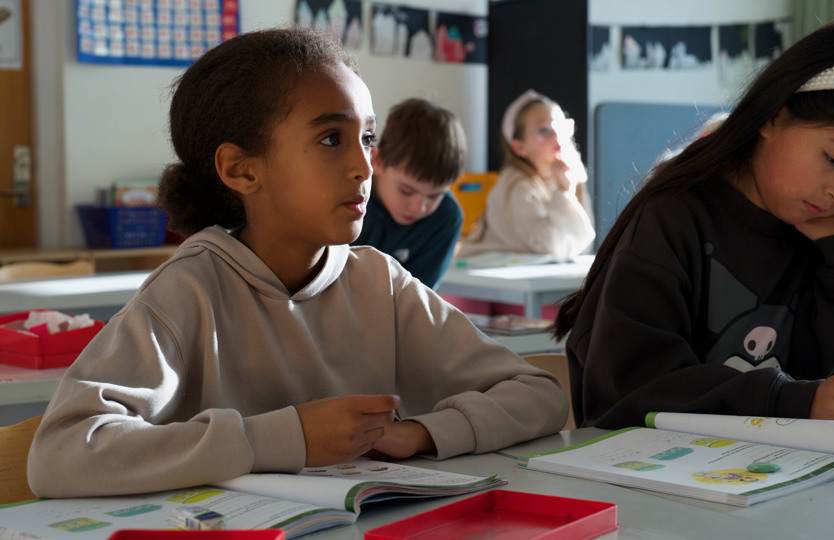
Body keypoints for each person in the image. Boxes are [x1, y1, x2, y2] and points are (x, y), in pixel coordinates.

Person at [27, 27, 568, 498]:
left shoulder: (380, 283)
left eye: (367, 138)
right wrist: (284, 438)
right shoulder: (189, 291)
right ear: (241, 170)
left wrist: (426, 433)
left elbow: (539, 395)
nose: (363, 167)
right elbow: (61, 452)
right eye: (332, 139)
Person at [552, 20, 834, 428]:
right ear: (772, 116)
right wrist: (787, 399)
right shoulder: (672, 220)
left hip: (780, 477)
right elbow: (630, 395)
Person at [458, 89, 595, 261]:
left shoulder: (570, 178)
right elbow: (548, 246)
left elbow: (583, 245)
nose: (557, 137)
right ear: (519, 147)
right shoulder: (515, 185)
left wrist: (567, 188)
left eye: (561, 127)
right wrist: (564, 192)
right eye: (544, 130)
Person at [351, 98, 466, 289]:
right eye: (406, 191)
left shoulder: (446, 218)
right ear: (376, 161)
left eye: (434, 196)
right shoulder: (347, 197)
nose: (418, 207)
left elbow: (418, 299)